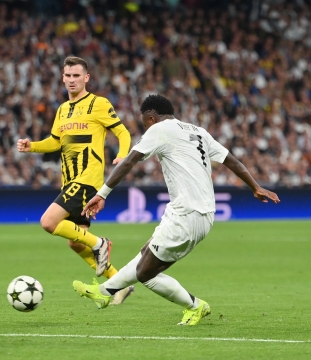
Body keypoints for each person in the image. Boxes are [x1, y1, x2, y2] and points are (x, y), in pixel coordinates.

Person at [73, 94, 280, 325]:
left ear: (151, 118)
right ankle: (104, 292)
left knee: (145, 273)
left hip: (187, 213)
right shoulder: (198, 131)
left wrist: (102, 194)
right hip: (199, 213)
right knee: (146, 253)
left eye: (144, 124)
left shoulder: (159, 130)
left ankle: (195, 306)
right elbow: (231, 160)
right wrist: (256, 187)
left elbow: (130, 161)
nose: (145, 130)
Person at [17, 56, 134, 304]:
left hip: (87, 179)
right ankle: (119, 285)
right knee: (75, 242)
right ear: (63, 77)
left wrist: (123, 155)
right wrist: (32, 147)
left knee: (48, 222)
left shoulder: (99, 104)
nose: (71, 80)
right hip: (68, 181)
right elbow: (55, 142)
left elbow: (122, 132)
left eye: (76, 76)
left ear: (86, 78)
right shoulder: (62, 109)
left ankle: (100, 243)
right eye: (68, 76)